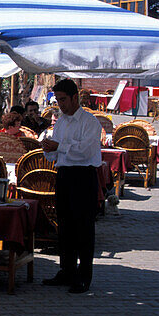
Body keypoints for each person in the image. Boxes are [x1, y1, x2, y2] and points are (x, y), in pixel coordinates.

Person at [40, 78, 102, 294]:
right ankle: (66, 270)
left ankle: (84, 276)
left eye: (63, 100)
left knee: (83, 228)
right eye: (57, 100)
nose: (61, 104)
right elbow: (55, 155)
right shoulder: (62, 122)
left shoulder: (90, 122)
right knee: (64, 225)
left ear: (75, 97)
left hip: (84, 175)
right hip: (65, 174)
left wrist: (60, 146)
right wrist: (49, 148)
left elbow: (84, 151)